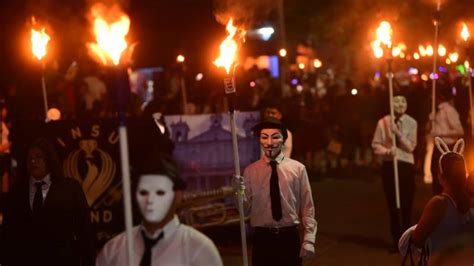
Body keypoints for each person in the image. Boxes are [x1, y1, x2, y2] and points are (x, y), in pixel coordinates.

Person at [96, 155, 223, 266]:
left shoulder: (199, 249)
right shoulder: (113, 250)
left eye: (160, 192)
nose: (150, 200)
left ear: (178, 196)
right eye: (143, 192)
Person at [0, 138, 95, 266]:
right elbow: (7, 232)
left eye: (39, 157)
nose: (33, 161)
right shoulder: (17, 191)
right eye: (30, 158)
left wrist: (88, 261)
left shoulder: (69, 188)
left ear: (49, 159)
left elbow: (84, 229)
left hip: (62, 260)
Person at [243, 118, 317, 266]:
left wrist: (309, 239)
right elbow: (244, 209)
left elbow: (307, 206)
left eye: (275, 137)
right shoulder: (250, 171)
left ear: (284, 140)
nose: (269, 143)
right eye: (264, 137)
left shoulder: (297, 169)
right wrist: (239, 193)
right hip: (262, 239)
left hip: (288, 238)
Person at [401, 137, 474, 260]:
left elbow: (415, 242)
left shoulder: (439, 204)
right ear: (465, 176)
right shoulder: (471, 204)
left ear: (441, 177)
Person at [371, 94, 417, 251]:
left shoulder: (412, 122)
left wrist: (397, 133)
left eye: (403, 100)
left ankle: (408, 239)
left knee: (406, 204)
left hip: (405, 166)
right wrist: (386, 152)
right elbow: (375, 144)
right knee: (393, 204)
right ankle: (396, 239)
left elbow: (410, 147)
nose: (400, 104)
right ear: (391, 103)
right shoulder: (383, 122)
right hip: (390, 167)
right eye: (396, 101)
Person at [429, 85, 464, 195]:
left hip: (448, 147)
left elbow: (459, 130)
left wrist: (441, 134)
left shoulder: (449, 110)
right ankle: (438, 200)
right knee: (435, 172)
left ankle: (446, 201)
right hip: (438, 147)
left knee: (446, 177)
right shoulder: (437, 110)